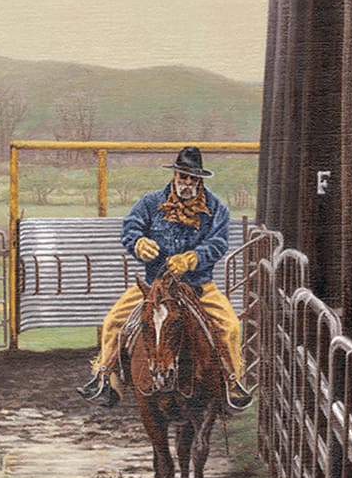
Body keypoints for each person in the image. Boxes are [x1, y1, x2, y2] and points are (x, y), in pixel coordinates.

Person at [77, 145, 253, 411]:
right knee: (113, 321)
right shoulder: (149, 203)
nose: (187, 183)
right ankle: (105, 379)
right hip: (154, 285)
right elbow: (130, 228)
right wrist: (138, 244)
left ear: (200, 180)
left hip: (198, 286)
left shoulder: (217, 209)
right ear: (175, 176)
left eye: (193, 179)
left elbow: (218, 243)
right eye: (183, 177)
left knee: (229, 327)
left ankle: (232, 384)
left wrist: (192, 258)